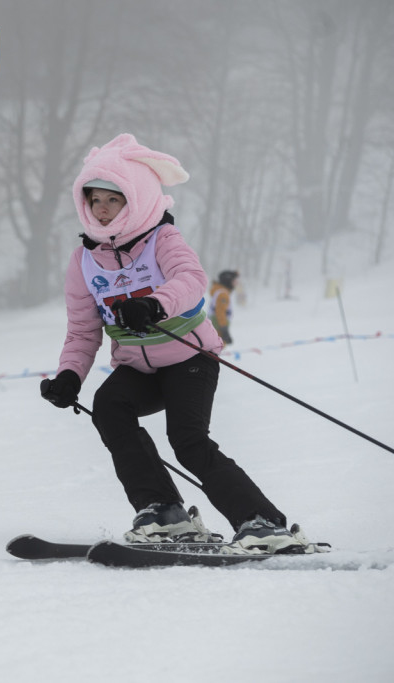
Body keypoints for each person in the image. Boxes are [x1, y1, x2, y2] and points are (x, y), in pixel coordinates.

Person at [38, 134, 311, 554]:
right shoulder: (84, 261)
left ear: (136, 200)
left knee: (187, 441)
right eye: (95, 200)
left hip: (189, 359)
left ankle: (261, 522)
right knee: (110, 406)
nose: (103, 209)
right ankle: (163, 511)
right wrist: (69, 376)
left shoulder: (161, 238)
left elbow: (191, 280)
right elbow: (82, 330)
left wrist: (153, 303)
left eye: (114, 199)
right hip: (138, 367)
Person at [209, 270, 239, 345]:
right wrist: (224, 329)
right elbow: (220, 312)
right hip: (218, 328)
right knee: (216, 348)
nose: (236, 283)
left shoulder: (221, 292)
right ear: (228, 281)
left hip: (216, 327)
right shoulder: (223, 294)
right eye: (234, 280)